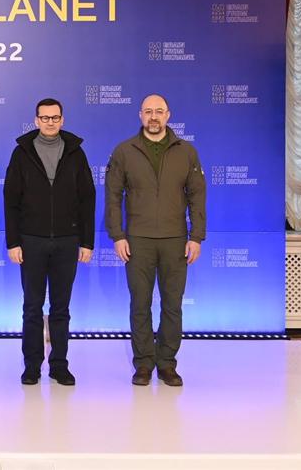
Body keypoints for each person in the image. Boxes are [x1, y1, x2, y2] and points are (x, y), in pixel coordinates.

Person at [105, 94, 206, 387]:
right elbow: (113, 197)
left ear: (168, 115)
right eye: (148, 111)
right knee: (140, 304)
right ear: (140, 115)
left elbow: (197, 197)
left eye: (158, 111)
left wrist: (196, 236)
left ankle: (167, 364)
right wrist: (118, 235)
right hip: (138, 241)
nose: (153, 117)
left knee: (172, 305)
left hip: (176, 240)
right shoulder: (124, 151)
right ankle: (143, 365)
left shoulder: (186, 151)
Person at [4, 98, 95, 386]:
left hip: (68, 242)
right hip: (30, 241)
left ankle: (59, 365)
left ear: (62, 120)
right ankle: (32, 366)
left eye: (55, 117)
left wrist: (87, 242)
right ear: (36, 121)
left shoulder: (76, 153)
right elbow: (11, 201)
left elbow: (87, 200)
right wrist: (13, 242)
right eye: (45, 118)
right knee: (32, 307)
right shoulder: (21, 154)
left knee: (61, 309)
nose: (50, 122)